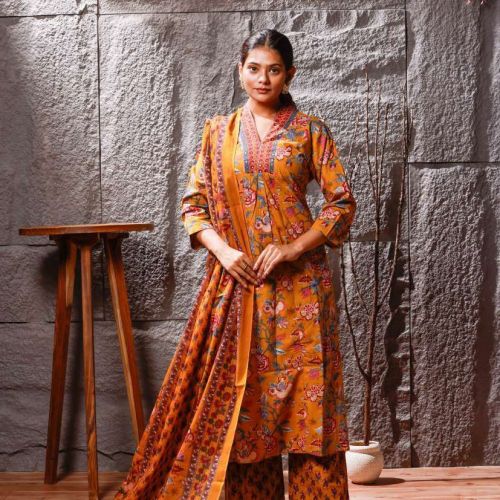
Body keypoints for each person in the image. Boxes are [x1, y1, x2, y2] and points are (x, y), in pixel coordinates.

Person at [115, 28, 356, 500]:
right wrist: (224, 253)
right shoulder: (218, 132)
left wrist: (292, 248)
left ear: (289, 75)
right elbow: (193, 206)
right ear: (239, 70)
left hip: (302, 294)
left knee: (312, 410)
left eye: (274, 70)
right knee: (250, 409)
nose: (263, 79)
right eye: (254, 68)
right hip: (240, 287)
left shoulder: (311, 131)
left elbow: (341, 205)